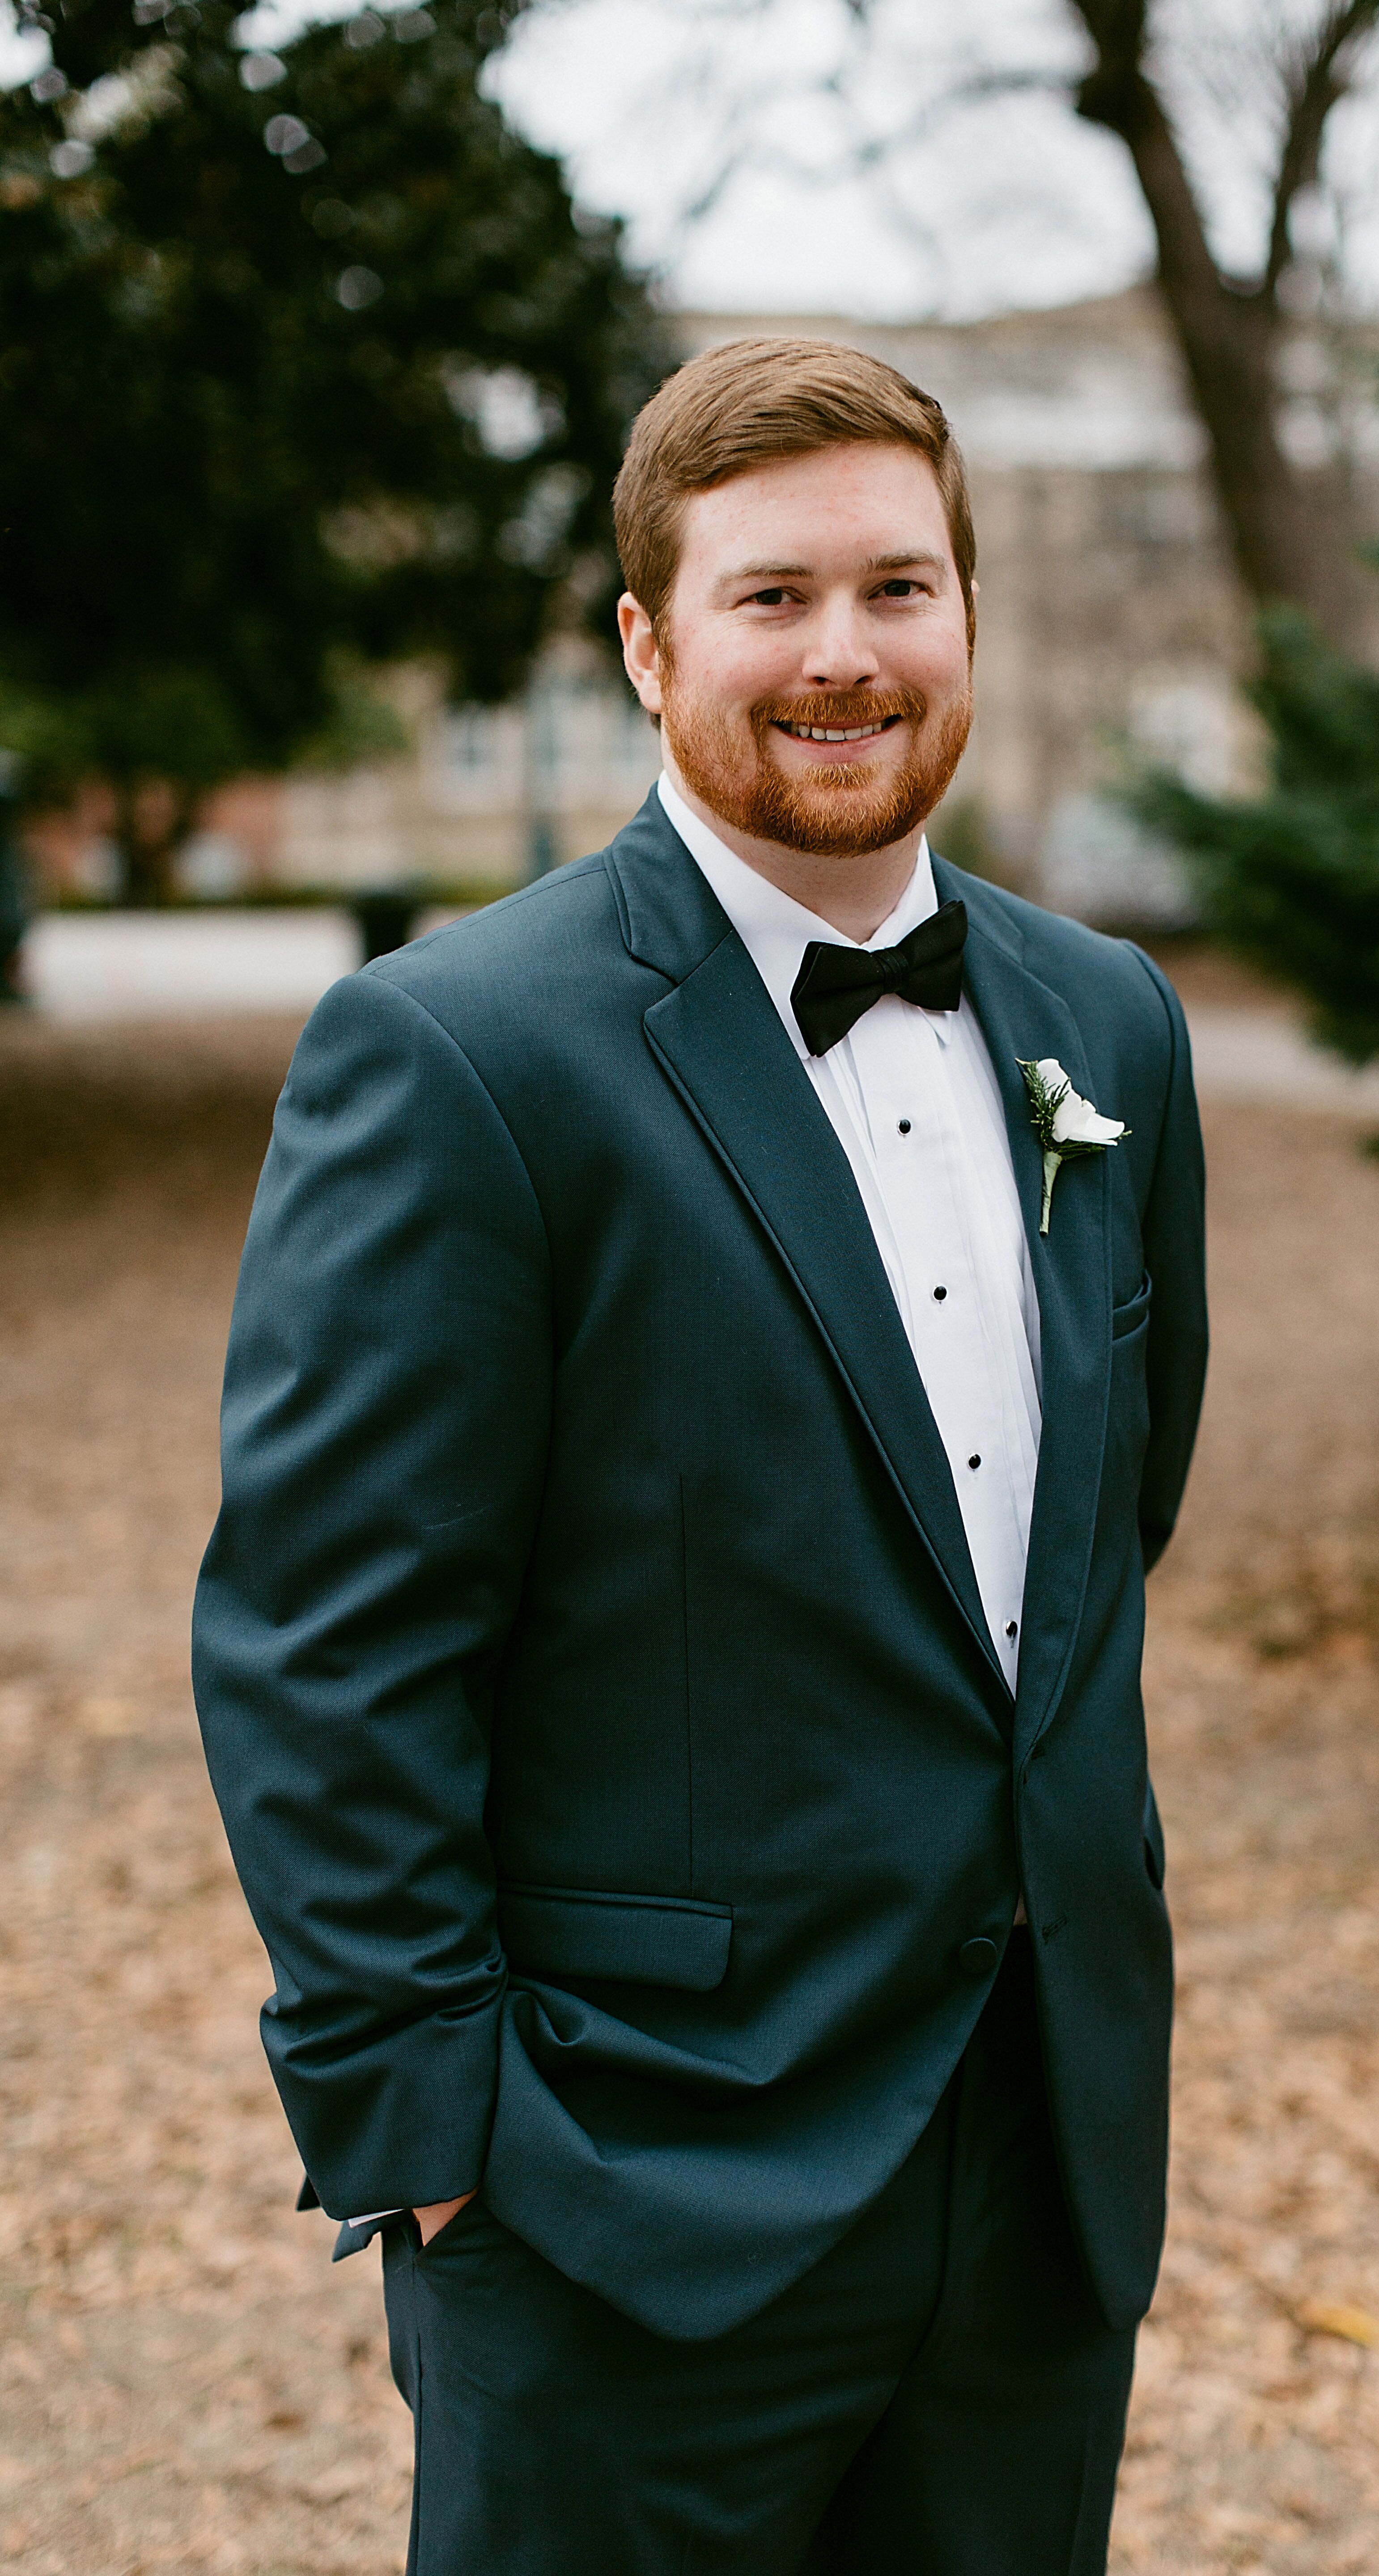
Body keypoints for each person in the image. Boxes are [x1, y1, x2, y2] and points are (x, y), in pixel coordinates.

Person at [193, 336, 1207, 2576]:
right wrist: (433, 2130)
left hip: (1038, 2166)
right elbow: (325, 1645)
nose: (844, 655)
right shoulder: (456, 1055)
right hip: (621, 2191)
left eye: (897, 588)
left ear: (967, 618)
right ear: (649, 644)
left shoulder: (1109, 1024)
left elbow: (1102, 1531)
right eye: (768, 598)